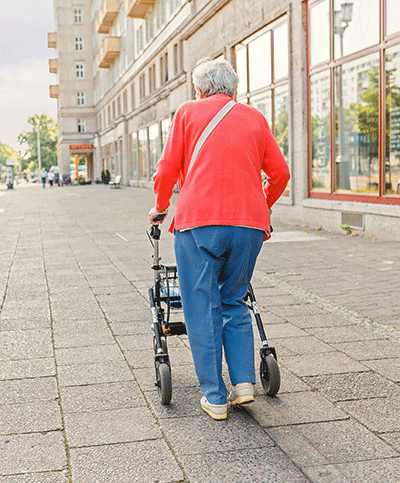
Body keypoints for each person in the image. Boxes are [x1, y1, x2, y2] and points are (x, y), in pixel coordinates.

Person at [149, 57, 290, 420]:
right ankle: (244, 384)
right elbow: (280, 173)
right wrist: (263, 206)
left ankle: (214, 396)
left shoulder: (186, 112)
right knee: (234, 300)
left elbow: (166, 169)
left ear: (200, 89)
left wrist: (160, 206)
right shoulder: (254, 117)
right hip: (249, 226)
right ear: (234, 89)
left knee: (202, 309)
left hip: (199, 223)